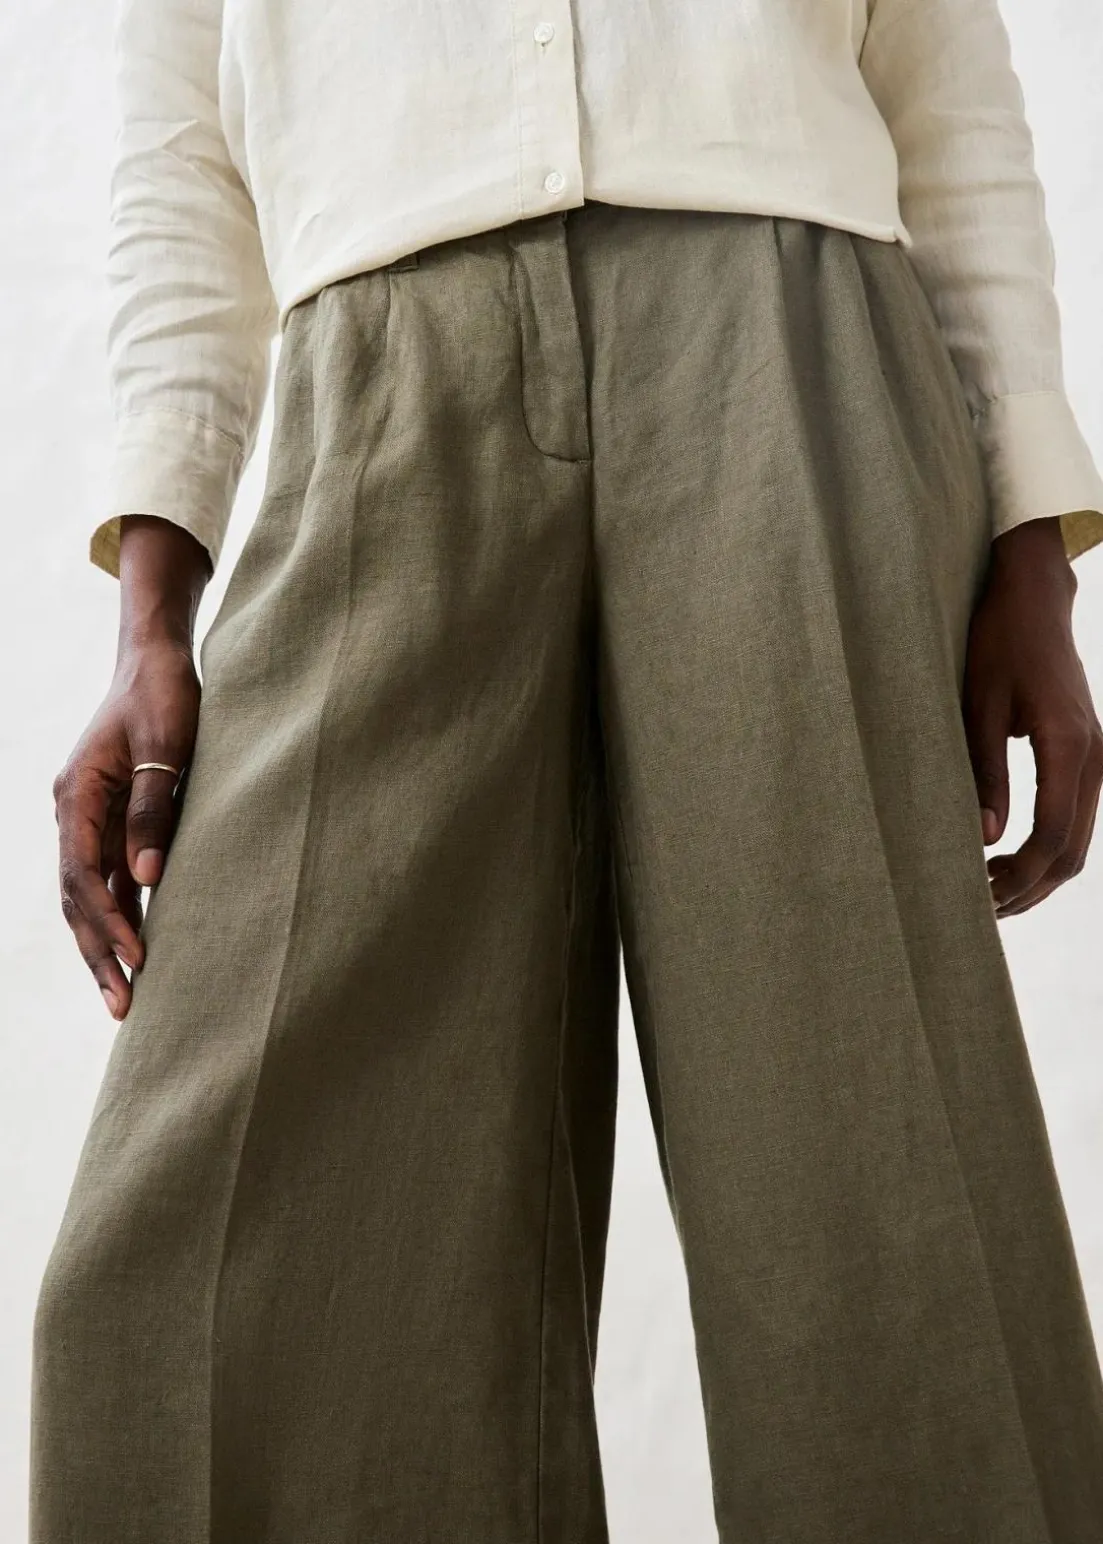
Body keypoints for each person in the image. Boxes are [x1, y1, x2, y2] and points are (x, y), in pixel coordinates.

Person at [32, 0, 1103, 1538]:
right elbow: (180, 145)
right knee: (195, 1269)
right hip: (380, 375)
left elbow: (944, 86)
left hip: (791, 342)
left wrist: (1030, 541)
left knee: (870, 1187)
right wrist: (152, 606)